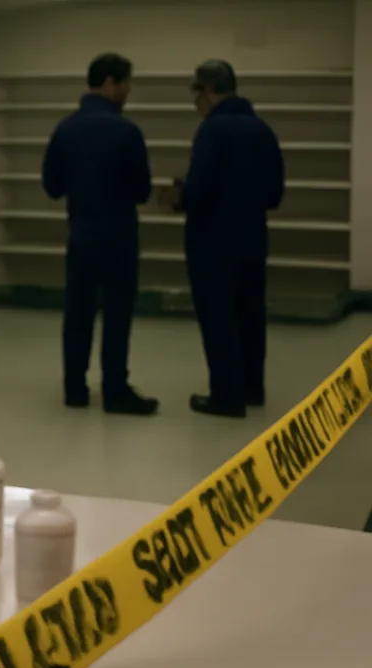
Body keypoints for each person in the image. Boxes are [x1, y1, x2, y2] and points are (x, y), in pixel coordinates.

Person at [42, 53, 158, 415]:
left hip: (81, 235)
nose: (127, 92)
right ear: (110, 82)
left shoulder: (65, 129)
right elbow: (142, 190)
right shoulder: (127, 131)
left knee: (77, 313)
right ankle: (114, 389)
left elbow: (52, 186)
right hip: (119, 237)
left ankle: (74, 389)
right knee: (117, 315)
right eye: (125, 84)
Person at [177, 59, 285, 417]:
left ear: (207, 92)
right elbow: (275, 194)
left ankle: (226, 396)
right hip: (253, 239)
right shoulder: (262, 130)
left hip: (212, 243)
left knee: (217, 318)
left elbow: (199, 192)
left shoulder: (212, 130)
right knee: (250, 316)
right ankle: (253, 387)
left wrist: (180, 195)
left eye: (196, 93)